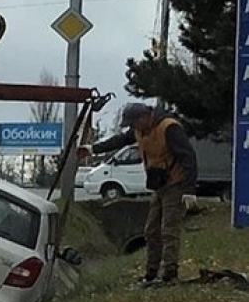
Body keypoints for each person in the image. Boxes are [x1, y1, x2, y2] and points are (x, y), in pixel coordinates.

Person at [78, 102, 197, 284]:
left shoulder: (169, 128)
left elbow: (188, 157)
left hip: (176, 184)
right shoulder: (139, 130)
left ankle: (170, 274)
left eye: (133, 123)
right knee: (151, 231)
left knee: (169, 230)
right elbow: (119, 140)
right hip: (159, 185)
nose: (133, 128)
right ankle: (151, 273)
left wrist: (189, 191)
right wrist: (92, 149)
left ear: (144, 116)